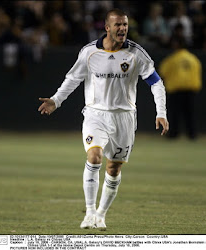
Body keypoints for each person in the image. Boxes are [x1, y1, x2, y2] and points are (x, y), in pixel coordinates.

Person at [38, 9, 169, 230]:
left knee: (114, 168)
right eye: (118, 25)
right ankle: (89, 212)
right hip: (95, 114)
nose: (122, 29)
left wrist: (161, 112)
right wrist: (56, 100)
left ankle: (101, 214)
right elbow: (73, 78)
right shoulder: (89, 52)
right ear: (107, 27)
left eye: (125, 25)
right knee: (95, 156)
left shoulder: (136, 54)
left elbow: (156, 82)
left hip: (124, 118)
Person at [159, 33, 201, 140]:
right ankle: (192, 134)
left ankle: (173, 134)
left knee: (174, 114)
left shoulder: (172, 59)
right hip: (191, 89)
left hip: (176, 89)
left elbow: (162, 72)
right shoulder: (193, 59)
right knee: (190, 113)